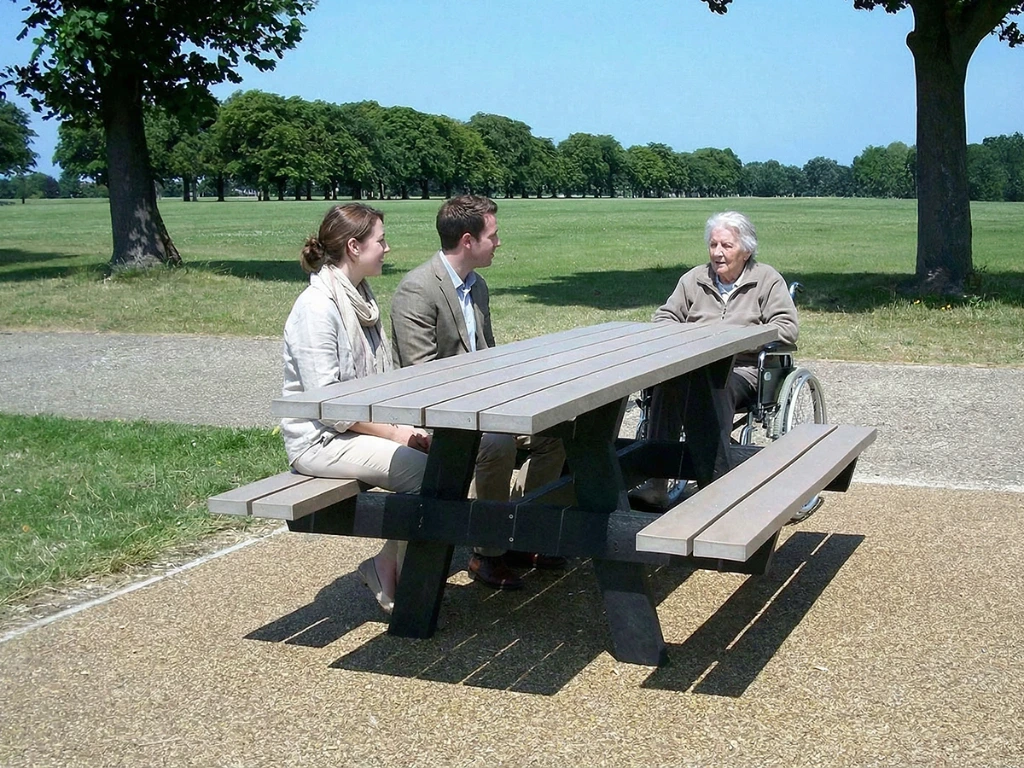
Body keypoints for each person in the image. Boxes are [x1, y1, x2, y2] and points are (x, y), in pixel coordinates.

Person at [390, 195, 567, 591]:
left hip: (484, 406)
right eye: (493, 235)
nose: (499, 243)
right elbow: (420, 379)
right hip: (441, 416)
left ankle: (524, 533)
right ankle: (488, 552)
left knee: (557, 432)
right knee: (498, 442)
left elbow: (487, 357)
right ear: (468, 241)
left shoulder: (477, 286)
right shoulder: (416, 290)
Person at [280, 203, 432, 616]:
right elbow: (328, 405)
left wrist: (406, 424)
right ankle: (405, 584)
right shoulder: (317, 308)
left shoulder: (360, 298)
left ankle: (387, 565)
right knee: (428, 475)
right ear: (353, 246)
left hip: (360, 431)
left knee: (448, 455)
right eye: (380, 240)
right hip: (322, 440)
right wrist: (397, 434)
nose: (387, 248)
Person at [630, 210, 799, 509]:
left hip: (743, 369)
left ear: (746, 250)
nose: (718, 253)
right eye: (713, 245)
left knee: (711, 388)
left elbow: (787, 329)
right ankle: (657, 481)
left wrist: (736, 337)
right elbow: (665, 316)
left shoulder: (767, 280)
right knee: (665, 386)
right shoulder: (694, 279)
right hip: (690, 364)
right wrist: (685, 336)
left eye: (726, 246)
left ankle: (715, 480)